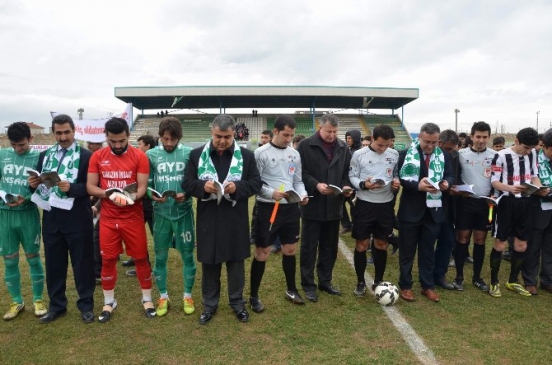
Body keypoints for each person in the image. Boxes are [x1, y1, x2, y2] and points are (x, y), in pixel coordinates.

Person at [183, 114, 261, 325]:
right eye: (218, 136)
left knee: (236, 263)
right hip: (208, 217)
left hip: (235, 217)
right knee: (210, 262)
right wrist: (202, 187)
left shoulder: (245, 155)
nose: (222, 141)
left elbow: (256, 183)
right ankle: (210, 305)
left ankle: (237, 303)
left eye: (227, 136)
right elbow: (187, 183)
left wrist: (238, 188)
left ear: (234, 134)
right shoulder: (197, 155)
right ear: (212, 132)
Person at [28, 114, 95, 324]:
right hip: (52, 219)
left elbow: (92, 187)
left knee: (82, 265)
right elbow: (41, 184)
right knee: (55, 266)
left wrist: (72, 188)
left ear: (74, 131)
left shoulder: (86, 156)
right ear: (54, 133)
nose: (63, 137)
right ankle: (57, 306)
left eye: (67, 132)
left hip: (77, 218)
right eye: (58, 133)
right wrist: (32, 184)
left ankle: (86, 305)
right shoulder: (46, 155)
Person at [87, 117, 154, 322]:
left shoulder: (139, 156)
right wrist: (109, 195)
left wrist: (130, 198)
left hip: (133, 217)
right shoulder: (98, 156)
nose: (117, 145)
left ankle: (147, 299)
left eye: (122, 141)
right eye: (112, 141)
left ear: (128, 136)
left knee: (141, 257)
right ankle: (109, 301)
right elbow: (91, 187)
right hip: (108, 218)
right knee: (107, 260)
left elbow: (142, 187)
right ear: (106, 137)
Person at [249, 115, 308, 313]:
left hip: (291, 208)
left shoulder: (294, 154)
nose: (288, 138)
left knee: (290, 249)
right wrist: (270, 193)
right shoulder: (260, 153)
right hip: (269, 208)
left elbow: (297, 180)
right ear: (275, 131)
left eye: (291, 135)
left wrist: (303, 194)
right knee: (263, 252)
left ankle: (291, 289)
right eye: (285, 134)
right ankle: (254, 295)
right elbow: (254, 184)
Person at [296, 114, 353, 302]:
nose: (332, 135)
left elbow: (347, 173)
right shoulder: (305, 146)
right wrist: (316, 185)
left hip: (334, 206)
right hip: (313, 204)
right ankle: (308, 284)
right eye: (329, 131)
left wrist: (345, 186)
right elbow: (300, 173)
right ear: (320, 127)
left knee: (330, 247)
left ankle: (325, 280)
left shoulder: (343, 148)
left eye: (335, 132)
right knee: (309, 247)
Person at [397, 123, 454, 302]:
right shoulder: (405, 154)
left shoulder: (444, 155)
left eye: (434, 142)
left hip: (434, 211)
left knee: (428, 251)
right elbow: (401, 178)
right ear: (419, 138)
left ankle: (427, 286)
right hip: (410, 211)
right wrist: (417, 186)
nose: (430, 146)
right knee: (407, 251)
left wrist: (446, 183)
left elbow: (450, 175)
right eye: (427, 142)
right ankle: (405, 286)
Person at [488, 127, 547, 297]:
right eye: (525, 147)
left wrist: (538, 187)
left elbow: (534, 175)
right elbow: (494, 182)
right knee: (500, 243)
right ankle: (494, 282)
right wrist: (509, 188)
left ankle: (513, 281)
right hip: (506, 202)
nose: (528, 151)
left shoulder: (533, 154)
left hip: (526, 202)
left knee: (522, 245)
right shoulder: (500, 156)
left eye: (531, 148)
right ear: (516, 141)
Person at [146, 117, 196, 316]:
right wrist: (152, 195)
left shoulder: (189, 154)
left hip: (183, 214)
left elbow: (194, 182)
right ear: (160, 137)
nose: (168, 143)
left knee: (188, 256)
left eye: (172, 139)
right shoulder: (150, 154)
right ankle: (163, 296)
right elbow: (147, 183)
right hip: (161, 215)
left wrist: (188, 193)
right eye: (165, 139)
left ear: (179, 138)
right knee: (160, 258)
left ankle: (187, 295)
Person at [0, 122, 46, 320]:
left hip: (28, 214)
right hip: (5, 215)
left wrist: (26, 198)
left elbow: (45, 189)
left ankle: (38, 299)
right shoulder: (2, 155)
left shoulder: (39, 158)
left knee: (33, 258)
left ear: (31, 139)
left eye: (21, 145)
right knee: (9, 261)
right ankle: (17, 301)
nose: (17, 149)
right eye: (13, 145)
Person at [348, 124, 400, 296]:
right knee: (362, 244)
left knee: (381, 244)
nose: (383, 148)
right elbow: (352, 176)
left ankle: (378, 280)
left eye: (387, 145)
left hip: (385, 205)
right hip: (365, 204)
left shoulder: (394, 154)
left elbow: (395, 175)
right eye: (380, 145)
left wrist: (395, 183)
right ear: (372, 138)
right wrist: (363, 185)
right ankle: (360, 281)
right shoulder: (359, 154)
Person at [451, 122, 496, 292]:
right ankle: (459, 276)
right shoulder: (460, 154)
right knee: (462, 238)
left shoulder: (494, 155)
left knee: (480, 240)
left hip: (484, 204)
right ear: (472, 137)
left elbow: (496, 179)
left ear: (489, 137)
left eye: (485, 137)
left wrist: (493, 195)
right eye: (478, 136)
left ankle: (477, 277)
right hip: (465, 203)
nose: (481, 140)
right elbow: (454, 176)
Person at [522, 129, 552, 295]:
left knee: (550, 246)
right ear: (545, 146)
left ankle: (547, 279)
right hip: (537, 207)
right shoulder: (532, 158)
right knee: (533, 245)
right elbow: (525, 181)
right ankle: (529, 280)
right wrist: (537, 190)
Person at [123, 134, 156, 276]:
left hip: (150, 203)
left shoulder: (151, 159)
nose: (138, 147)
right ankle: (136, 259)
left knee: (156, 235)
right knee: (134, 235)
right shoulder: (138, 158)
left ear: (148, 146)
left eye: (140, 144)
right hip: (139, 202)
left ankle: (149, 266)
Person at [433, 130, 460, 291]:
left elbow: (456, 177)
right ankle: (428, 275)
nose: (450, 152)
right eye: (448, 149)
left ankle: (439, 275)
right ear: (440, 143)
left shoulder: (456, 157)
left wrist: (454, 187)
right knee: (428, 242)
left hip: (448, 206)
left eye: (453, 149)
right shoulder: (431, 155)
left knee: (447, 241)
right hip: (429, 205)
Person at [340, 129, 362, 235]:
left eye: (350, 138)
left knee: (355, 207)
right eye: (347, 138)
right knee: (339, 202)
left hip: (355, 184)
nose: (348, 140)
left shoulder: (359, 152)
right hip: (347, 183)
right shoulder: (348, 150)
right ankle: (347, 225)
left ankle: (353, 225)